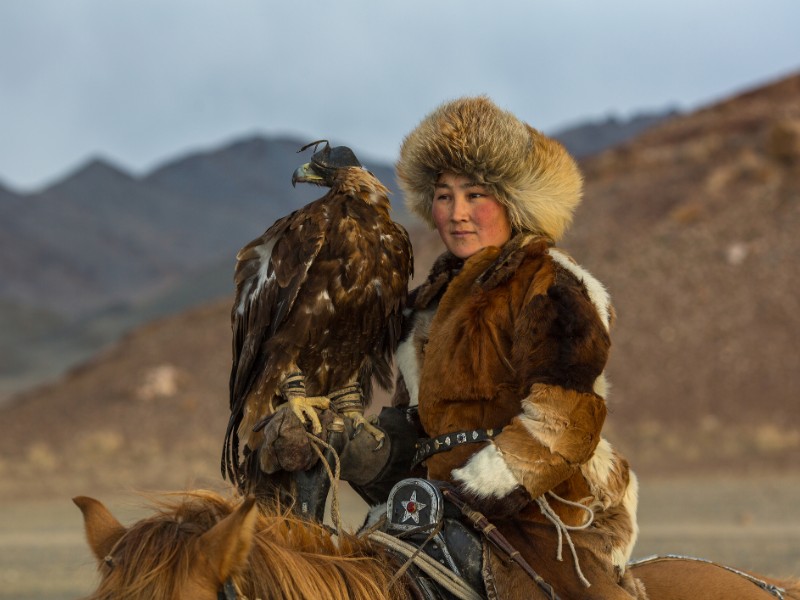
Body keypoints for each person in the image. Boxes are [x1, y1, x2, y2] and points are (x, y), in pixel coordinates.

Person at [381, 96, 645, 599]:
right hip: (443, 512)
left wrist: (476, 486)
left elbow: (565, 418)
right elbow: (414, 426)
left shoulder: (552, 285)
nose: (457, 213)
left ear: (510, 201)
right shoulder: (425, 309)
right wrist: (353, 450)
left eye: (474, 194)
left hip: (553, 510)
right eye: (443, 196)